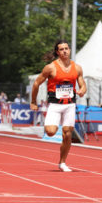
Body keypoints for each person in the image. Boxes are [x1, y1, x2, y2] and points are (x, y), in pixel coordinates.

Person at [30, 40, 86, 172]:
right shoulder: (50, 67)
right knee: (50, 132)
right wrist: (33, 101)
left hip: (70, 104)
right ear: (57, 52)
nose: (65, 51)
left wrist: (83, 90)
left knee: (67, 134)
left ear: (70, 50)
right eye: (61, 49)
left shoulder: (77, 67)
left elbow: (82, 84)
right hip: (55, 104)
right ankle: (51, 125)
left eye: (67, 48)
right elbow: (36, 84)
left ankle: (62, 162)